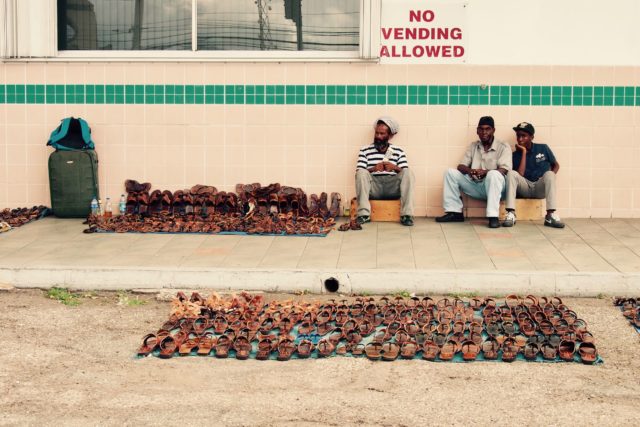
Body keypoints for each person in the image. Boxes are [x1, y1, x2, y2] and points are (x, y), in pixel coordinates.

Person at [435, 116, 512, 228]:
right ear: (477, 131)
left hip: (496, 188)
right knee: (449, 173)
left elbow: (504, 169)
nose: (484, 132)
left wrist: (485, 172)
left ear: (493, 130)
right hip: (477, 186)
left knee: (494, 174)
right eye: (481, 129)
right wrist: (471, 171)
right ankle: (455, 213)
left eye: (487, 129)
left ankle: (493, 217)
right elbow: (461, 166)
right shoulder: (473, 146)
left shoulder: (503, 146)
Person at [502, 122, 565, 228]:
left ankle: (550, 216)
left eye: (524, 136)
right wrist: (523, 152)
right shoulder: (514, 155)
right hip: (524, 187)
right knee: (512, 173)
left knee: (549, 173)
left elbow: (556, 165)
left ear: (531, 137)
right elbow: (520, 174)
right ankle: (511, 214)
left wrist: (548, 178)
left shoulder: (543, 148)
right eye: (518, 136)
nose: (520, 139)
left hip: (539, 187)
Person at [355, 116, 415, 226]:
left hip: (392, 188)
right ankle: (363, 215)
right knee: (361, 172)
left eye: (382, 134)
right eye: (377, 133)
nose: (378, 136)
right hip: (374, 188)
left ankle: (407, 215)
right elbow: (359, 173)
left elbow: (405, 174)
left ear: (390, 135)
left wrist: (395, 167)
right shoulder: (365, 150)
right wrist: (373, 169)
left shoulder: (398, 151)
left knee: (408, 172)